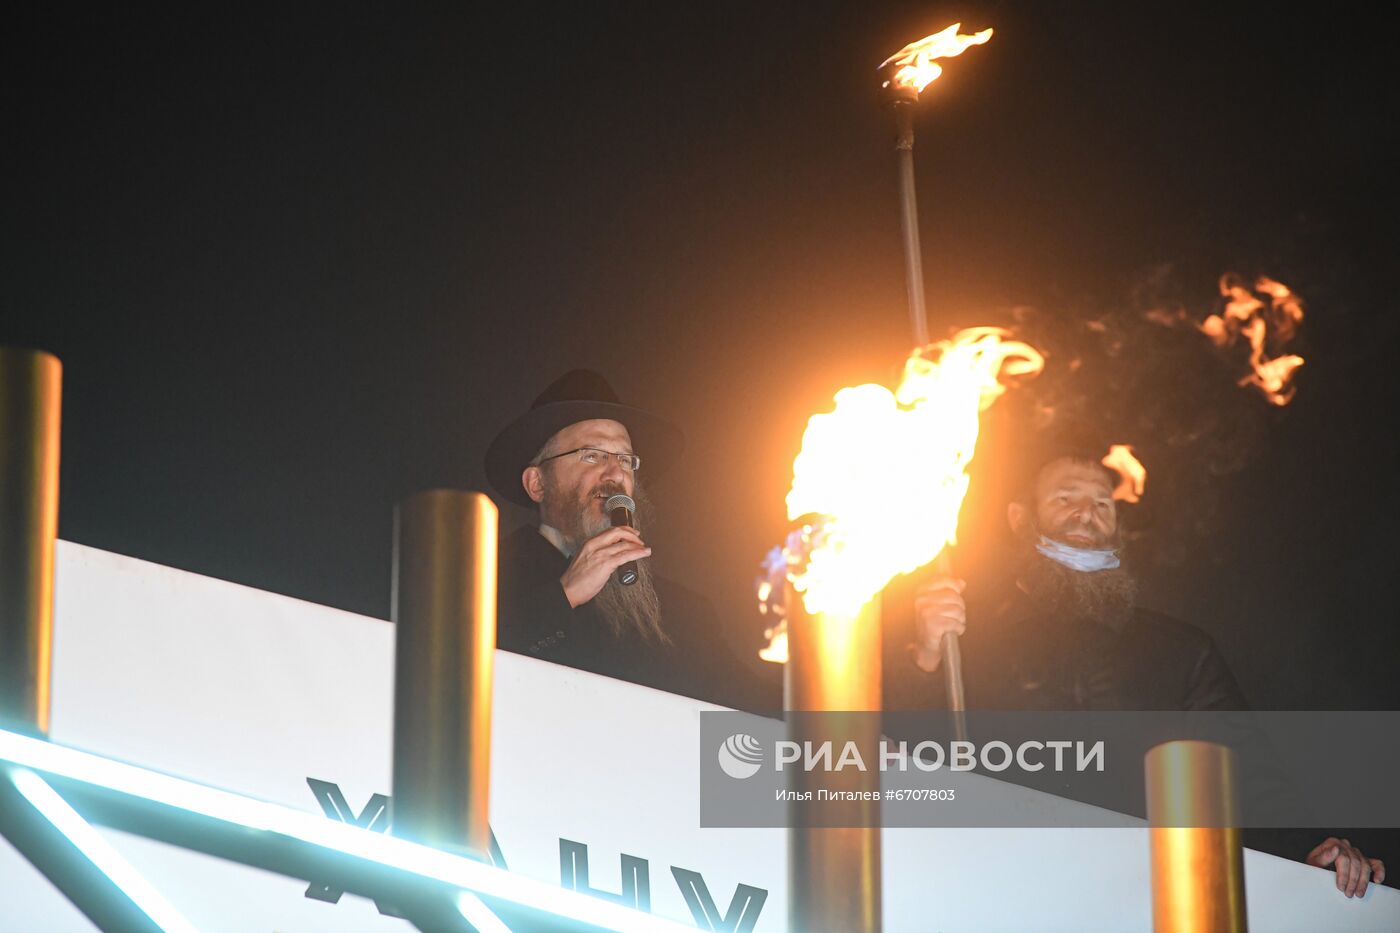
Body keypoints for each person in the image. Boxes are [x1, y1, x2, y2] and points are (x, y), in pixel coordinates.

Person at [883, 437, 1386, 898]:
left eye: (1102, 503)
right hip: (992, 882)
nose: (1086, 513)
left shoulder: (1179, 649)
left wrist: (1312, 849)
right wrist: (925, 659)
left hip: (1138, 895)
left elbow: (1246, 777)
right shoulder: (963, 635)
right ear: (1020, 518)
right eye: (1065, 497)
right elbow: (893, 764)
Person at [484, 369, 745, 706]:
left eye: (625, 460)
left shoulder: (686, 613)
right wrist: (566, 594)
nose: (615, 473)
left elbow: (749, 706)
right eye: (592, 455)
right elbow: (456, 672)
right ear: (538, 484)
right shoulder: (483, 577)